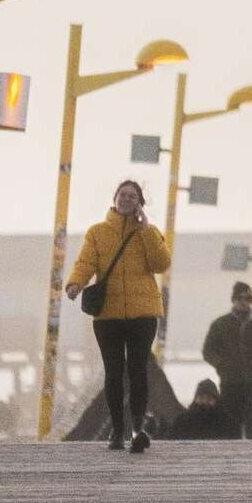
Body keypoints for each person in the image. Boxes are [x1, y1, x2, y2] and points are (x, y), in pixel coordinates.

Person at [65, 178, 171, 453]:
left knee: (137, 369)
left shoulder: (150, 232)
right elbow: (86, 261)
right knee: (113, 372)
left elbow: (161, 263)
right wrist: (75, 283)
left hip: (143, 314)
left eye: (132, 196)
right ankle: (117, 430)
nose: (126, 199)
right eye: (122, 195)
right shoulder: (98, 232)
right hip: (108, 314)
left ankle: (137, 429)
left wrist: (146, 231)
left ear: (140, 203)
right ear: (114, 199)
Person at [202, 282, 252, 439]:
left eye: (247, 298)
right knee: (231, 427)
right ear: (233, 300)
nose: (243, 301)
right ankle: (231, 460)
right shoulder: (220, 324)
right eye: (240, 298)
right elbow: (208, 351)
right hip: (230, 383)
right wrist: (221, 364)